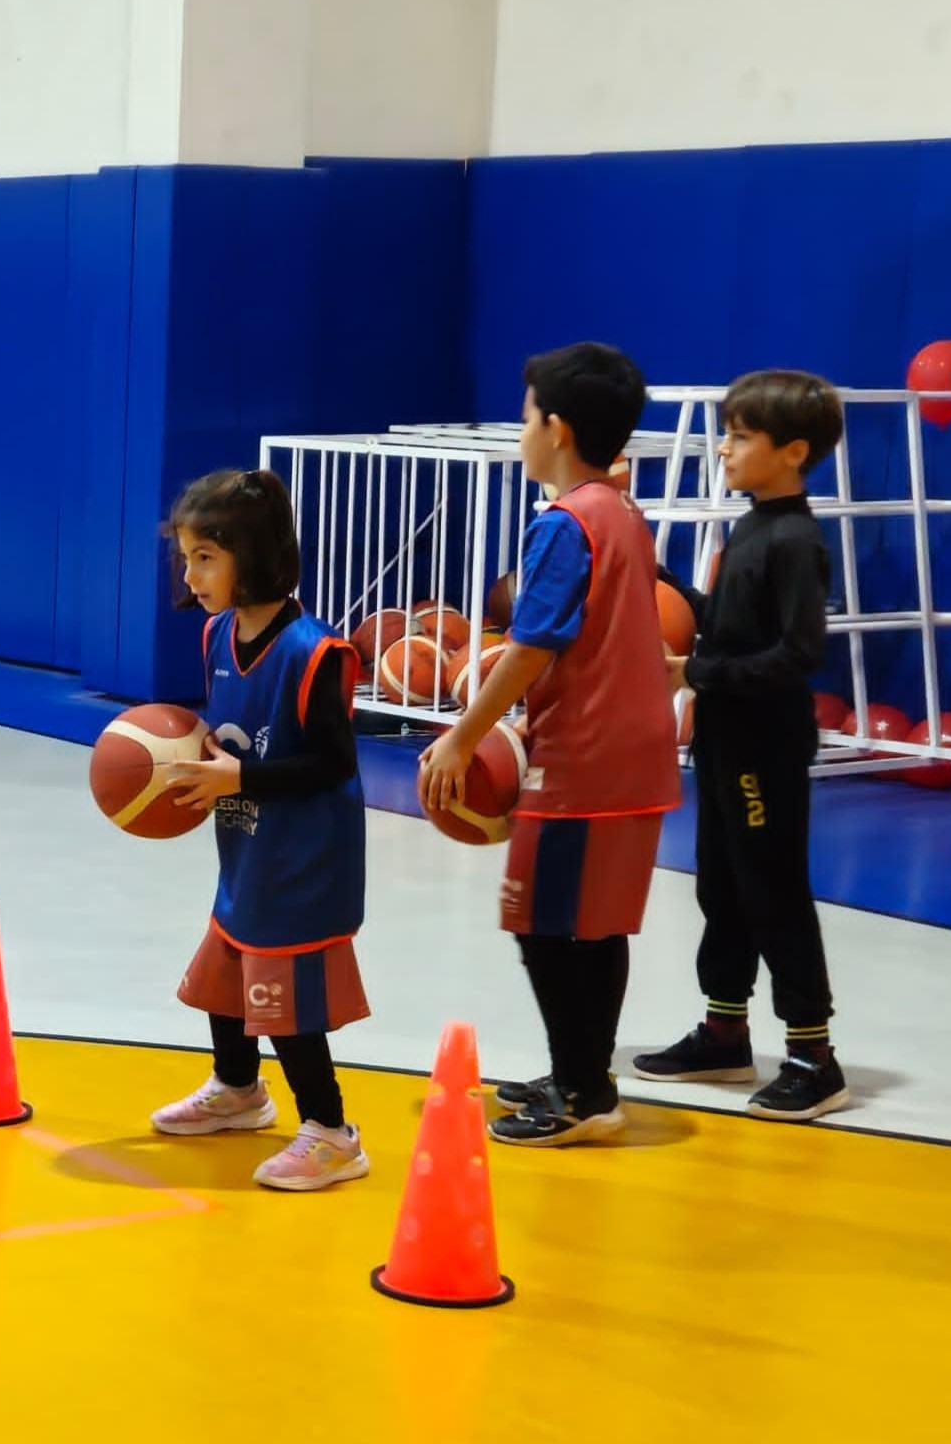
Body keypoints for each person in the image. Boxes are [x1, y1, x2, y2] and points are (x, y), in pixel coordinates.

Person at [422, 341, 670, 1148]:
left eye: (524, 417)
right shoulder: (624, 512)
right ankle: (582, 1071)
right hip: (635, 755)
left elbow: (532, 645)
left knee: (545, 926)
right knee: (595, 926)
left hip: (586, 765)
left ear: (556, 429)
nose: (519, 431)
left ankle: (583, 1093)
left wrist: (464, 735)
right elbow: (599, 645)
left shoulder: (565, 524)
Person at [147, 468, 372, 1191]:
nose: (192, 572)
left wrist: (238, 778)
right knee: (226, 975)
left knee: (286, 1002)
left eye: (206, 557)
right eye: (186, 557)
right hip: (247, 848)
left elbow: (332, 765)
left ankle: (333, 1133)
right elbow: (234, 729)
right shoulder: (217, 634)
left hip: (307, 860)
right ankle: (239, 1090)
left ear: (257, 552)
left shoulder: (317, 653)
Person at [633, 368, 847, 1120]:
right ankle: (725, 1032)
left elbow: (796, 655)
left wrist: (692, 670)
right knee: (720, 887)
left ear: (792, 451)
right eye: (725, 432)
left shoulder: (795, 540)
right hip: (725, 739)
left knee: (773, 891)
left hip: (765, 748)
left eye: (740, 435)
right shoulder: (752, 525)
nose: (724, 448)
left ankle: (813, 1055)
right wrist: (654, 575)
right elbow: (723, 630)